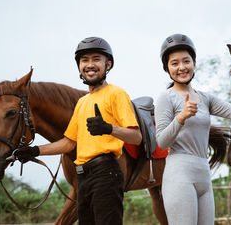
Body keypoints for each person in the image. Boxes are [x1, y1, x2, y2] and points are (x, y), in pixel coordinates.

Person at [15, 36, 142, 225]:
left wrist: (109, 128)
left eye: (96, 59)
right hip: (82, 177)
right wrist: (34, 150)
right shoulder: (82, 103)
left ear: (108, 64)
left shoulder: (117, 94)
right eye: (85, 60)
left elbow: (136, 137)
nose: (90, 64)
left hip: (106, 172)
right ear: (79, 66)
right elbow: (68, 142)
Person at [155, 34, 231, 225]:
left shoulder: (206, 98)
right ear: (167, 69)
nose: (181, 67)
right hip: (179, 174)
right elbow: (162, 142)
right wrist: (181, 117)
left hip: (203, 173)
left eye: (186, 61)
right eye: (174, 63)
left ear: (194, 63)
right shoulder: (166, 98)